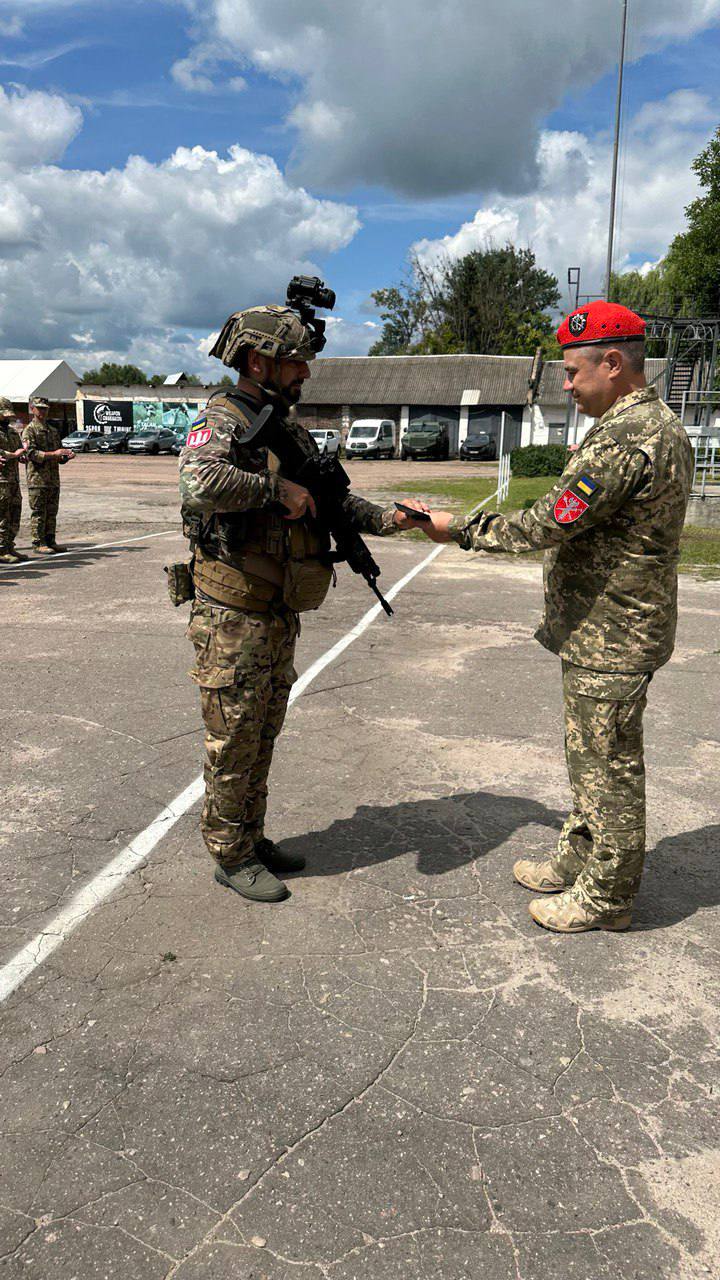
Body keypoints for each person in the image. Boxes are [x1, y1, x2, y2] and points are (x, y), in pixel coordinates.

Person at [407, 301, 693, 934]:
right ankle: (581, 857)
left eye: (572, 372)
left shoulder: (628, 437)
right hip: (605, 627)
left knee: (609, 765)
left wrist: (459, 530)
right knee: (588, 755)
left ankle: (608, 898)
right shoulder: (648, 425)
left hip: (614, 632)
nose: (565, 385)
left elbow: (550, 522)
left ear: (612, 363)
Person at [178, 303, 422, 904]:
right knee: (232, 739)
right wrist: (272, 489)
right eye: (296, 364)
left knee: (262, 734)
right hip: (232, 614)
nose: (305, 376)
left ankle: (251, 837)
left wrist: (399, 519)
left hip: (274, 611)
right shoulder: (223, 416)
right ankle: (228, 854)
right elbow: (198, 481)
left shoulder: (284, 428)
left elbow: (332, 503)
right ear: (258, 361)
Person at [22, 397, 75, 554]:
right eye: (39, 408)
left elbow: (57, 456)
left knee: (52, 512)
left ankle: (50, 540)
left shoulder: (52, 431)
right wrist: (55, 454)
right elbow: (31, 453)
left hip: (52, 479)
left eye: (45, 408)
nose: (42, 411)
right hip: (37, 479)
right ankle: (39, 543)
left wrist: (65, 456)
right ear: (32, 409)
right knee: (39, 512)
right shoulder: (30, 430)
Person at [0, 399, 27, 563]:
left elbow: (20, 449)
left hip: (13, 480)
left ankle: (10, 546)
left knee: (14, 513)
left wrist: (23, 455)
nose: (7, 418)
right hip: (1, 481)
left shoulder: (11, 432)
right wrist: (15, 454)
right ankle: (1, 550)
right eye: (4, 415)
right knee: (2, 516)